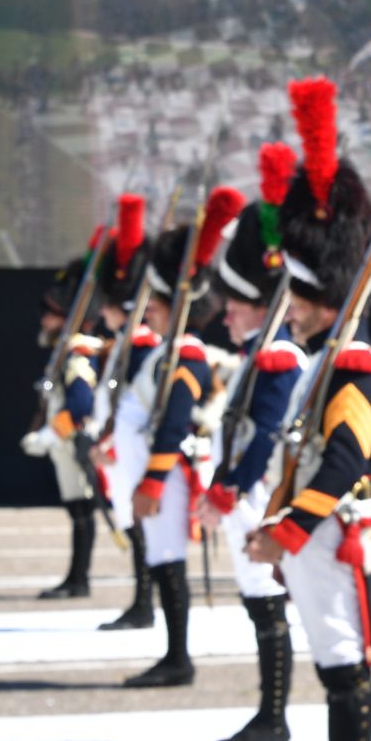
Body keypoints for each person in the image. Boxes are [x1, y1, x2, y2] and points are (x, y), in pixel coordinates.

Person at [248, 78, 371, 741]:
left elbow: (343, 461)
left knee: (347, 675)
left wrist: (289, 530)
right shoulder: (323, 361)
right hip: (313, 543)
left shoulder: (357, 364)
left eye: (302, 295)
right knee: (334, 671)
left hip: (336, 545)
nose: (291, 308)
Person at [200, 141, 308, 741]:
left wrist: (228, 489)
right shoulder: (256, 355)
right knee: (259, 606)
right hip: (249, 498)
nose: (228, 314)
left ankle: (272, 719)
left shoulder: (276, 356)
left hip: (261, 499)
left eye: (237, 304)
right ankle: (267, 714)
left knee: (267, 607)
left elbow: (263, 434)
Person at [117, 187, 240, 689]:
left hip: (164, 480)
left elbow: (171, 426)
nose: (149, 313)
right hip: (155, 479)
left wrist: (149, 481)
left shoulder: (184, 356)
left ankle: (177, 656)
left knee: (168, 565)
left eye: (157, 306)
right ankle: (172, 653)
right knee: (160, 562)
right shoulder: (165, 353)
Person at [21, 236, 109, 600]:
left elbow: (79, 404)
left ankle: (80, 579)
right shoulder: (64, 352)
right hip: (65, 446)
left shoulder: (77, 353)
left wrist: (50, 434)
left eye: (52, 312)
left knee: (82, 512)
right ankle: (75, 578)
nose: (45, 319)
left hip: (74, 444)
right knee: (76, 512)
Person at [95, 195, 159, 632]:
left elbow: (133, 405)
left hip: (134, 449)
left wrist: (109, 439)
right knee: (132, 525)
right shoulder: (124, 343)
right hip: (121, 447)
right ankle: (141, 599)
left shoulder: (141, 347)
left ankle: (144, 602)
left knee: (141, 529)